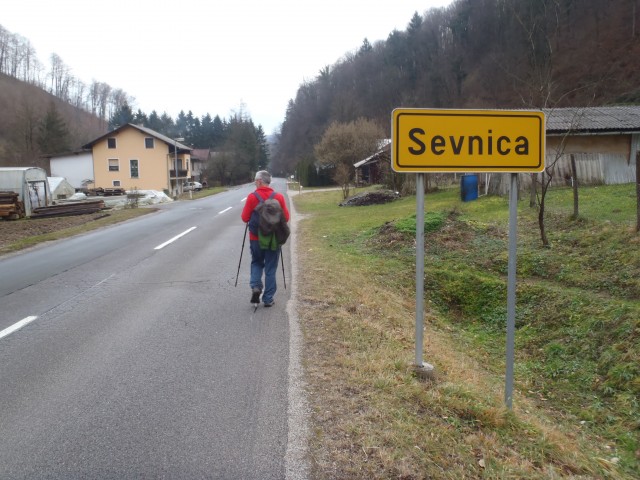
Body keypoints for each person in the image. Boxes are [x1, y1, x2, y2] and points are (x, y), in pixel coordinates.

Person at [241, 170, 290, 307]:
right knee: (270, 268)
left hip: (256, 238)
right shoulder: (278, 197)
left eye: (255, 181)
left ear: (259, 181)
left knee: (256, 262)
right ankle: (268, 299)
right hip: (273, 239)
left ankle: (256, 287)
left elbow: (245, 218)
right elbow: (286, 217)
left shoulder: (252, 197)